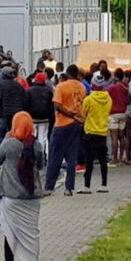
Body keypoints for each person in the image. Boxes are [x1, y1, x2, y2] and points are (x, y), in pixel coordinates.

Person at [0, 111, 44, 261]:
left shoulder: (9, 144)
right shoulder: (36, 145)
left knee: (9, 234)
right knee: (32, 234)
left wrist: (7, 137)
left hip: (11, 196)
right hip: (32, 198)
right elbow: (41, 164)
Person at [45, 65, 86, 196]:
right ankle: (69, 188)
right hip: (76, 124)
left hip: (62, 124)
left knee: (55, 156)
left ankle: (49, 187)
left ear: (68, 73)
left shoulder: (61, 87)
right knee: (71, 157)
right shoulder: (82, 87)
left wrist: (70, 114)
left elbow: (57, 105)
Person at [80, 72, 112, 192]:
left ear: (92, 83)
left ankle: (87, 185)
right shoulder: (108, 98)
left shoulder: (88, 99)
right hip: (103, 131)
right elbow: (108, 111)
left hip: (90, 132)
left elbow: (83, 113)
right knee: (103, 160)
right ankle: (104, 184)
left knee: (89, 160)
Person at [0, 66, 25, 149]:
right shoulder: (18, 86)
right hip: (15, 115)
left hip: (3, 113)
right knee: (14, 135)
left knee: (0, 135)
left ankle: (0, 154)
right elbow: (24, 99)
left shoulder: (1, 85)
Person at [24, 72, 54, 154]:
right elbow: (51, 106)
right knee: (42, 138)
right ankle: (41, 155)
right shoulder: (49, 91)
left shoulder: (29, 90)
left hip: (32, 118)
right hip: (44, 118)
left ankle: (31, 154)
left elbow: (26, 104)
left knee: (31, 136)